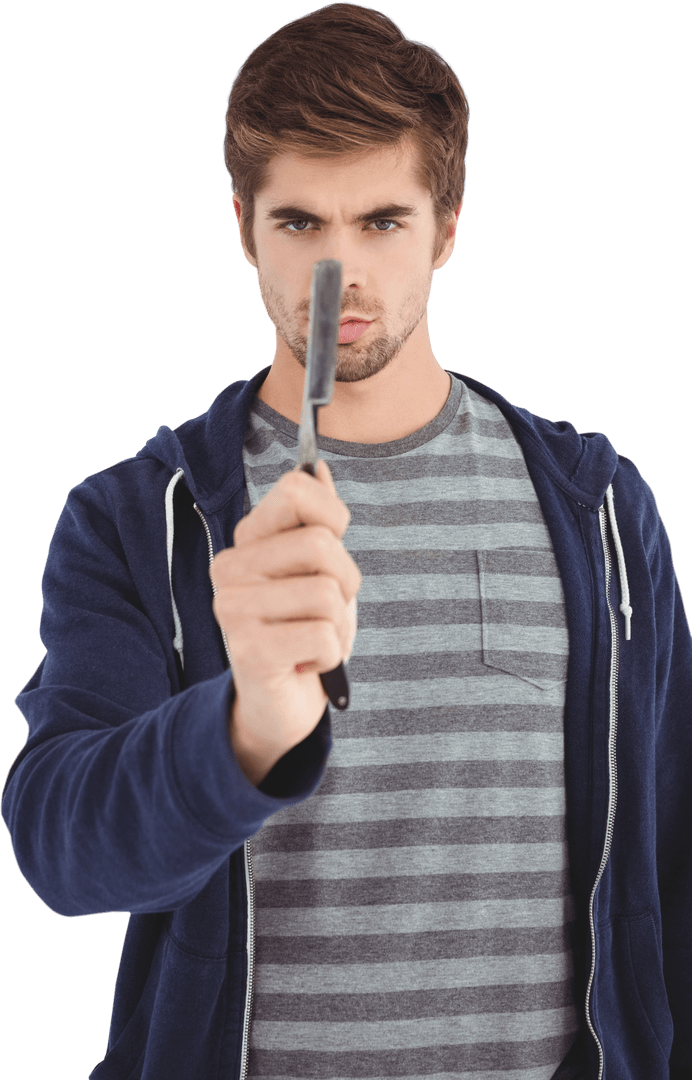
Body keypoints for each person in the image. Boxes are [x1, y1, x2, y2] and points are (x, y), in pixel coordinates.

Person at [2, 4, 690, 1079]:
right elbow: (58, 847)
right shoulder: (139, 517)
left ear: (446, 228)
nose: (342, 273)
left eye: (379, 222)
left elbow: (668, 848)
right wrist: (247, 724)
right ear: (242, 227)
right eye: (298, 225)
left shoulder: (598, 504)